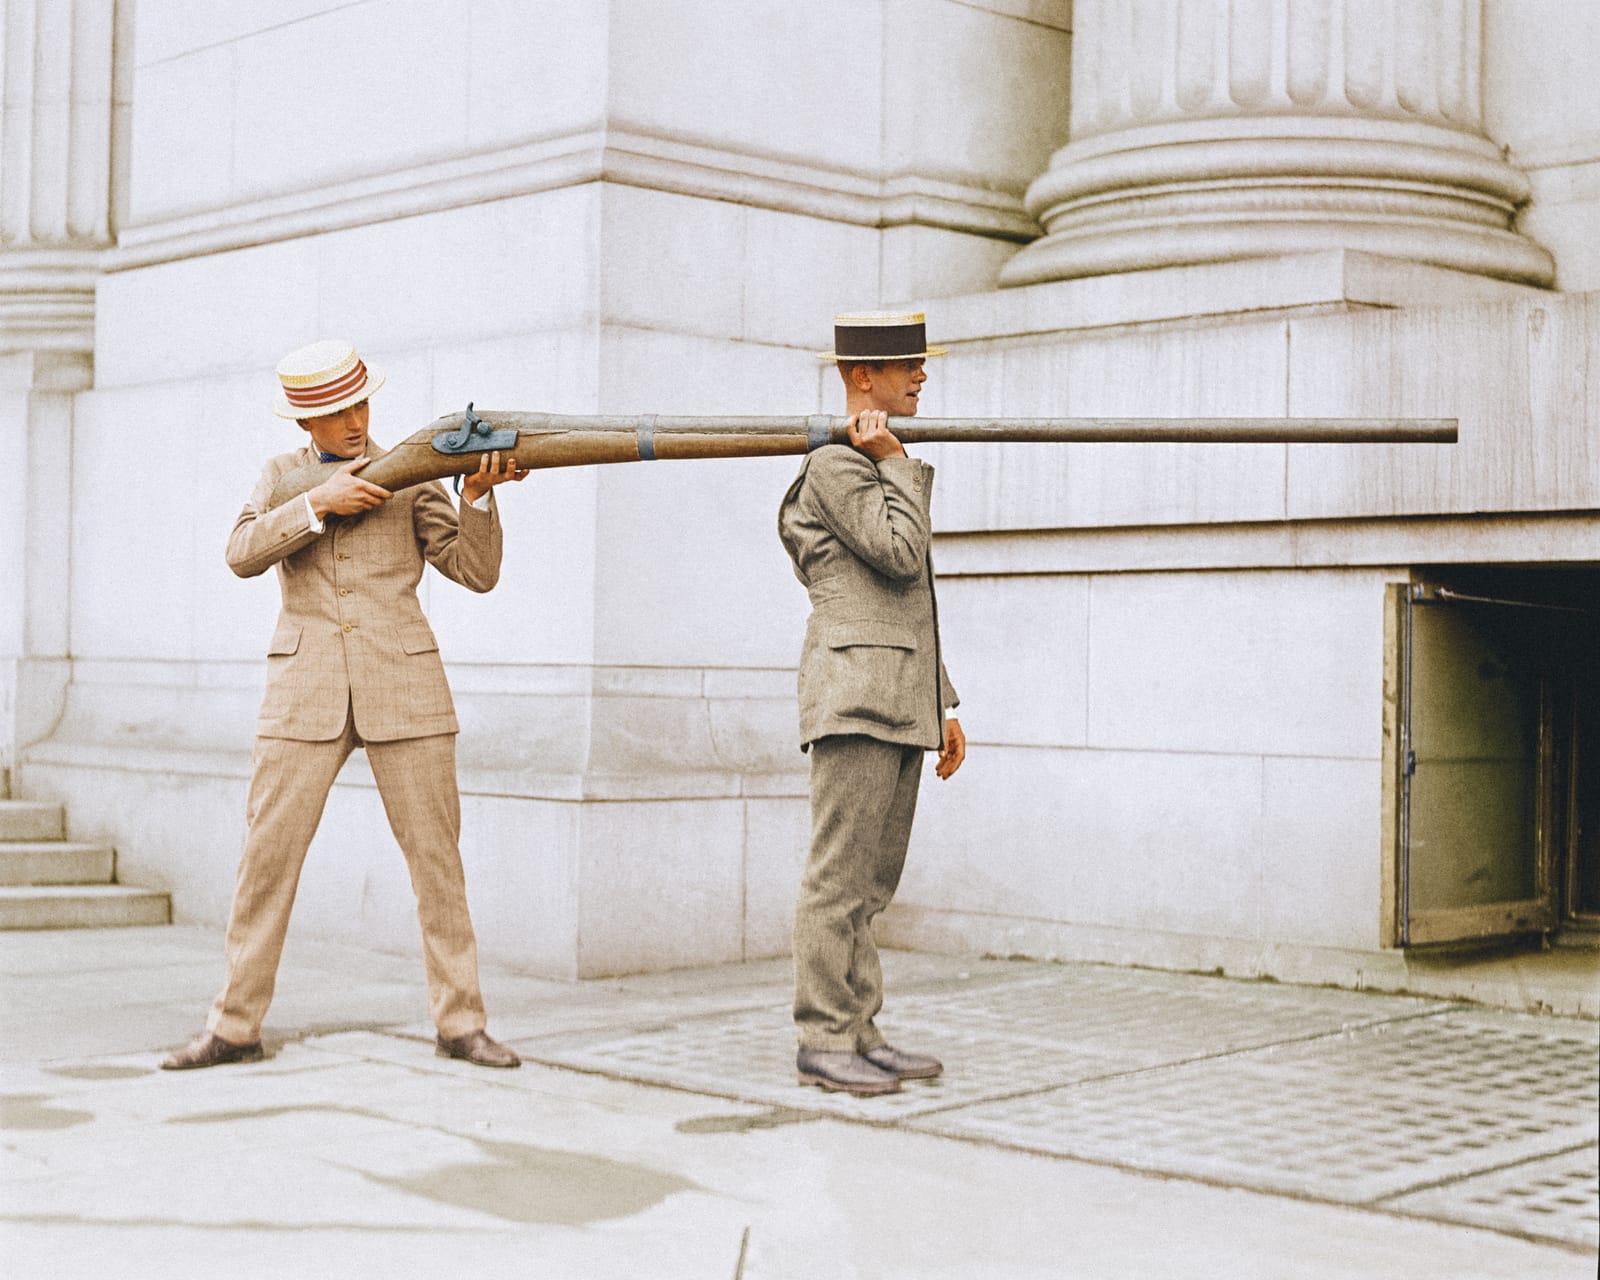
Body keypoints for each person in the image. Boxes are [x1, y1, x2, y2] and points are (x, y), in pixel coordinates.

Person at [162, 339, 526, 1071]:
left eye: (360, 405)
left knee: (437, 866)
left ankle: (462, 1023)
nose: (355, 422)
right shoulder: (280, 476)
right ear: (306, 424)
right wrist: (316, 506)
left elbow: (474, 572)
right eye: (336, 413)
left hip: (407, 688)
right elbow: (239, 553)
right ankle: (234, 1026)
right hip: (304, 694)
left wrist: (476, 499)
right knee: (265, 863)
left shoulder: (414, 470)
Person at [778, 310, 967, 1096]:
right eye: (906, 366)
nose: (920, 376)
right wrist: (895, 461)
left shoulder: (871, 462)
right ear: (863, 377)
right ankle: (823, 1036)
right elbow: (899, 553)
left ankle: (859, 1029)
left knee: (872, 884)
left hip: (896, 695)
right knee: (838, 880)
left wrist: (944, 705)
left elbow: (911, 602)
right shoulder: (837, 466)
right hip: (856, 694)